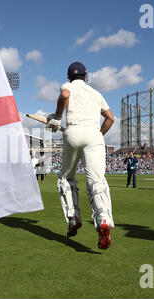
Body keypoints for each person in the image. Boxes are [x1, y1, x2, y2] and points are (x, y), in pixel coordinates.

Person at [46, 61, 115, 250]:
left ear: (69, 76)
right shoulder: (96, 93)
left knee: (66, 178)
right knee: (96, 181)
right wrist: (98, 135)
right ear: (86, 75)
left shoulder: (68, 86)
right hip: (94, 134)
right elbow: (110, 118)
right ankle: (103, 221)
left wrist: (57, 117)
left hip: (74, 132)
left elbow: (64, 95)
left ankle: (73, 217)